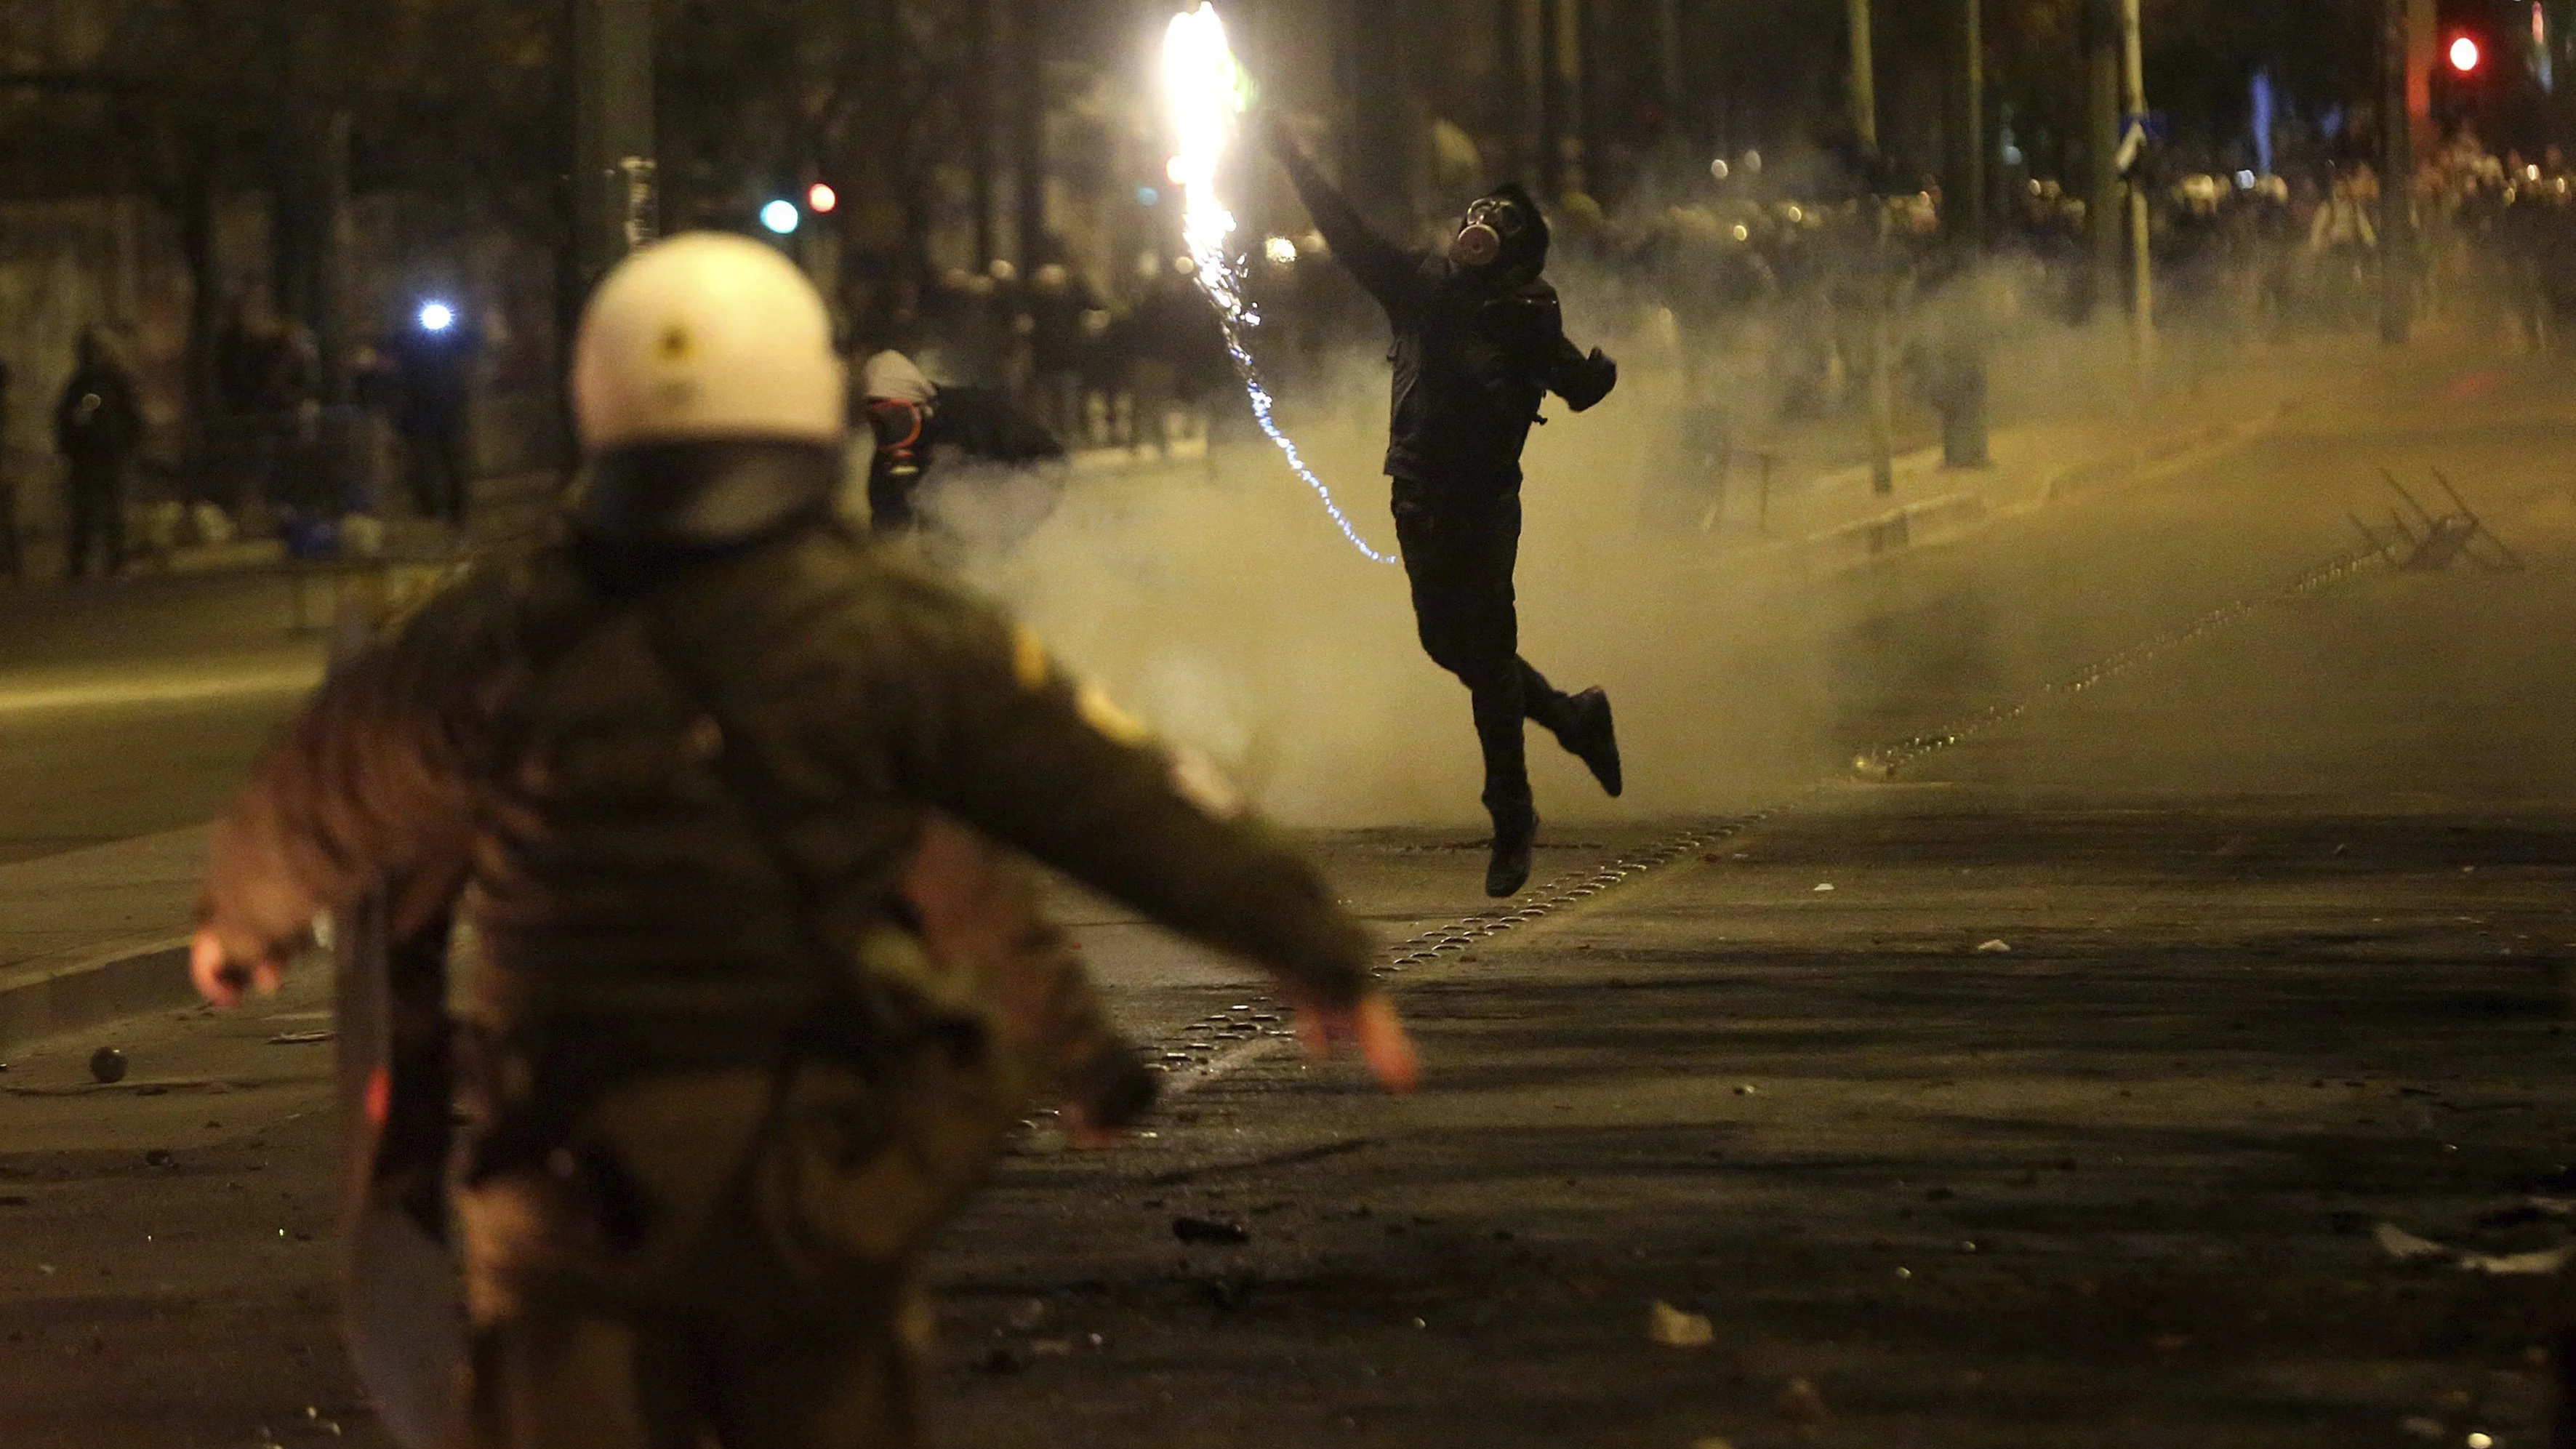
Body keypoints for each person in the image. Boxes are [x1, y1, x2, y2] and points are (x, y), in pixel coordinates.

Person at [187, 231, 1418, 1449]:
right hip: (811, 1179)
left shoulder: (495, 628)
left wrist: (240, 928)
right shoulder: (886, 625)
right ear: (802, 407)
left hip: (565, 1176)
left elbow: (322, 786)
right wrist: (1307, 943)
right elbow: (1109, 789)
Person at [1262, 118, 1624, 897]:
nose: (1485, 227)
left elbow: (1573, 382)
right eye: (1483, 213)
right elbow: (1346, 231)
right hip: (1417, 497)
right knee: (1444, 644)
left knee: (1488, 653)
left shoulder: (1529, 313)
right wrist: (1294, 159)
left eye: (1504, 223)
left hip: (1487, 503)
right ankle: (1572, 718)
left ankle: (1512, 816)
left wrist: (1596, 375)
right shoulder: (1420, 286)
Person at [52, 329, 144, 581]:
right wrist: (70, 447)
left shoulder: (113, 382)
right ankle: (79, 562)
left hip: (110, 454)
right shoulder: (78, 385)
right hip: (86, 457)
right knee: (84, 511)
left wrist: (127, 443)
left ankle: (115, 560)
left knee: (112, 508)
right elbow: (64, 420)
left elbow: (131, 415)